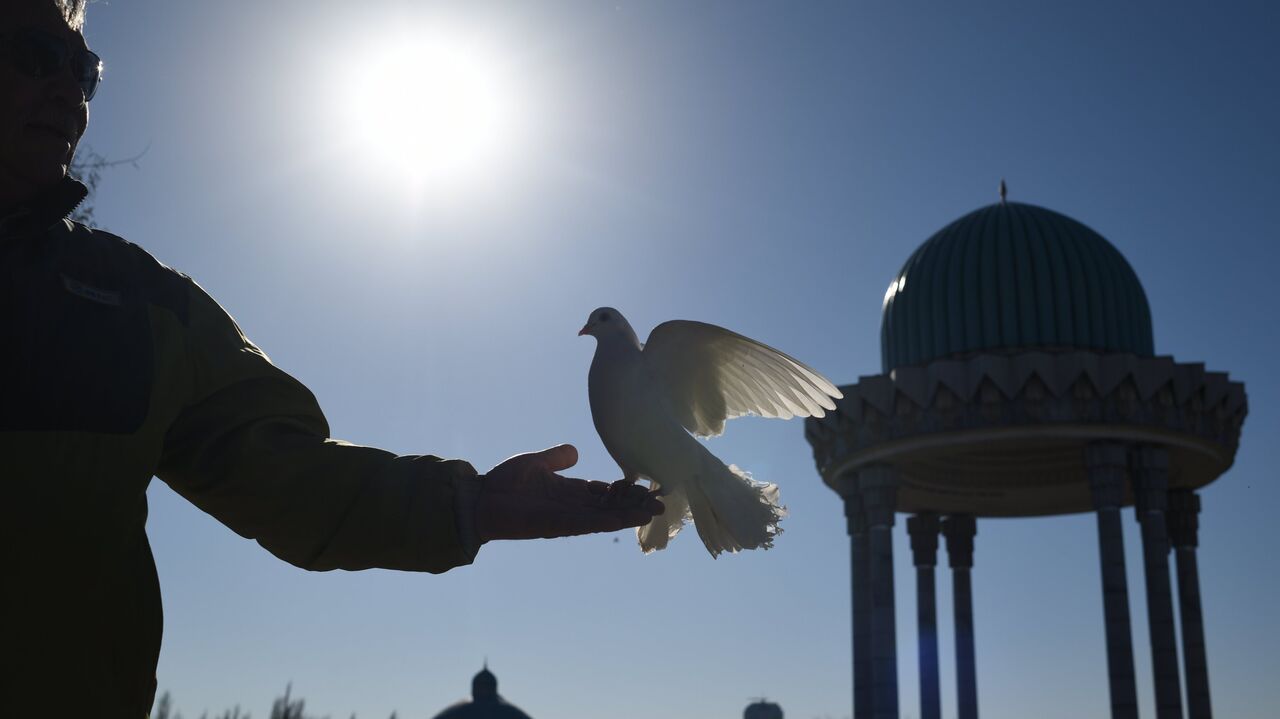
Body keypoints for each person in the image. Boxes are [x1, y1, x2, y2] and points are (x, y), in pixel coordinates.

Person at [0, 1, 664, 715]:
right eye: (40, 55)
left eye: (86, 70)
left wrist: (471, 504)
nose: (72, 92)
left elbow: (295, 478)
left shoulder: (135, 302)